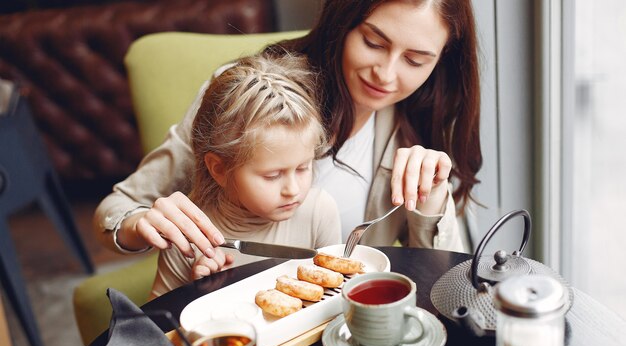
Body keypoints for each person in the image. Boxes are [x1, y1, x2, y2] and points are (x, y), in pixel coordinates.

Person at [94, 0, 482, 267]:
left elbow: (444, 277)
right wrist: (138, 225)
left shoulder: (420, 128)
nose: (386, 74)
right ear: (342, 23)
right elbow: (117, 210)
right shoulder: (249, 101)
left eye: (416, 60)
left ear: (442, 58)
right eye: (373, 43)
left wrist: (432, 197)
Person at [150, 53, 341, 298]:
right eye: (272, 175)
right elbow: (156, 327)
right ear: (219, 169)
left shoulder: (318, 212)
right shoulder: (188, 231)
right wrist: (196, 293)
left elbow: (335, 295)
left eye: (303, 168)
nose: (293, 189)